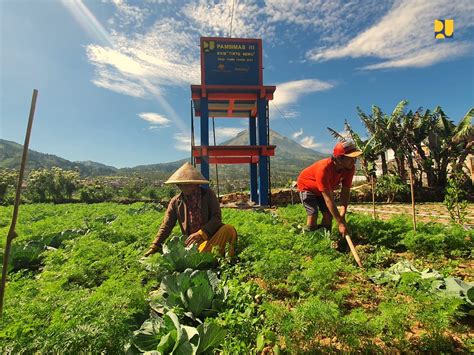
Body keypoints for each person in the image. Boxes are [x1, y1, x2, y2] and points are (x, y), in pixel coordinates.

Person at [144, 162, 237, 257]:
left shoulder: (208, 195)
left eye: (187, 184)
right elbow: (166, 226)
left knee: (229, 229)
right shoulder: (176, 202)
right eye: (180, 185)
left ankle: (221, 258)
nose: (184, 187)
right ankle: (206, 257)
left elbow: (216, 218)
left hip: (212, 238)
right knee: (197, 254)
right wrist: (154, 245)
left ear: (196, 184)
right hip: (193, 246)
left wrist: (201, 233)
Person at [297, 141, 362, 242]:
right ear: (339, 158)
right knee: (313, 213)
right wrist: (340, 223)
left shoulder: (350, 169)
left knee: (328, 215)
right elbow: (328, 199)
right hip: (307, 187)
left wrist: (342, 216)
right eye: (351, 158)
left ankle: (325, 240)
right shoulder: (324, 168)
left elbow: (345, 192)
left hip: (324, 190)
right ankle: (308, 241)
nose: (354, 161)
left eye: (355, 158)